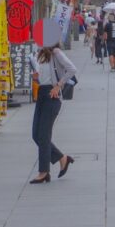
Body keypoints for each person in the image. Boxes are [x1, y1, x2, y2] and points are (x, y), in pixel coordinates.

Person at [30, 44, 77, 183]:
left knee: (43, 135)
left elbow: (72, 69)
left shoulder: (56, 52)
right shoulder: (41, 53)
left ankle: (43, 172)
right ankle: (62, 158)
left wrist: (58, 85)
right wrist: (36, 77)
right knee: (36, 134)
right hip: (42, 93)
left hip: (52, 95)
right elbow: (43, 77)